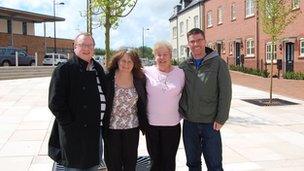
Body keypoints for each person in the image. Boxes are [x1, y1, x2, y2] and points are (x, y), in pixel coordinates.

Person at [48, 33, 107, 171]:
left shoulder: (98, 69)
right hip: (73, 135)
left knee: (92, 167)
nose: (87, 48)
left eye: (90, 45)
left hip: (94, 133)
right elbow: (55, 102)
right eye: (82, 45)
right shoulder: (63, 70)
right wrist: (70, 124)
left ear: (94, 48)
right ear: (75, 47)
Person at [179, 28, 232, 171]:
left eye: (199, 40)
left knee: (214, 165)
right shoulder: (183, 66)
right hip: (190, 123)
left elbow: (225, 93)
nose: (196, 44)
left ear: (205, 41)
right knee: (193, 164)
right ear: (188, 44)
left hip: (211, 123)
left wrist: (221, 118)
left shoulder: (218, 63)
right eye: (192, 41)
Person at [103, 49, 148, 171]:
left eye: (130, 62)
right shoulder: (108, 77)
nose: (126, 64)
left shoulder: (139, 79)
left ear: (135, 64)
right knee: (113, 164)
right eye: (123, 61)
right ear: (117, 61)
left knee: (130, 163)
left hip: (132, 127)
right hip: (112, 128)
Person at [144, 41, 185, 171]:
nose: (162, 58)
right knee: (155, 162)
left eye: (165, 54)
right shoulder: (146, 72)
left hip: (172, 125)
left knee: (169, 161)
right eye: (158, 54)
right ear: (154, 56)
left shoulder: (180, 73)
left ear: (170, 56)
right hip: (152, 126)